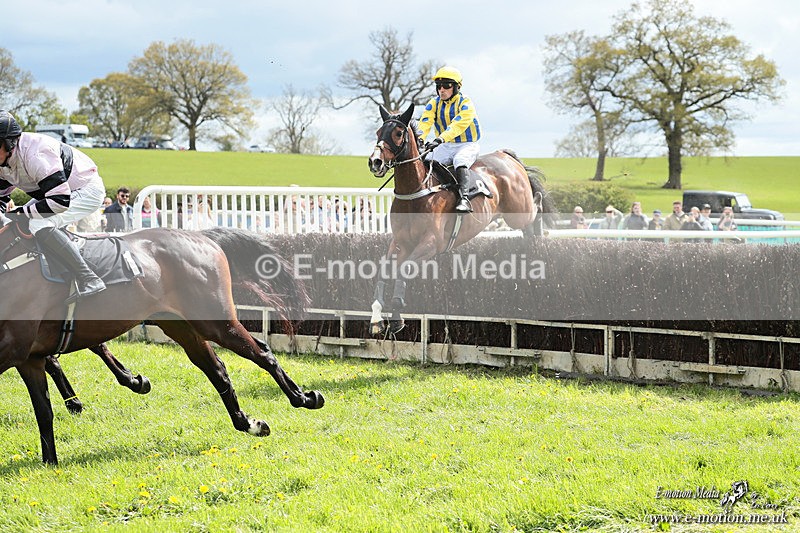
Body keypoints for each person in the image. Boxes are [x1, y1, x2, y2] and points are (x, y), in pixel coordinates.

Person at [0, 109, 106, 297]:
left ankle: (89, 278)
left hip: (85, 190)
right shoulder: (5, 161)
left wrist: (23, 211)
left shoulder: (35, 155)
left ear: (9, 143)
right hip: (55, 193)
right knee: (19, 220)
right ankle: (60, 273)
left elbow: (60, 201)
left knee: (39, 222)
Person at [418, 66, 481, 213]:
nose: (442, 90)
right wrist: (420, 139)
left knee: (460, 160)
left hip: (466, 144)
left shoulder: (465, 103)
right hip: (446, 145)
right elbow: (425, 123)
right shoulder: (433, 103)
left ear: (457, 87)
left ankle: (464, 198)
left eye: (446, 86)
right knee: (425, 160)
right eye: (439, 86)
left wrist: (439, 139)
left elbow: (457, 125)